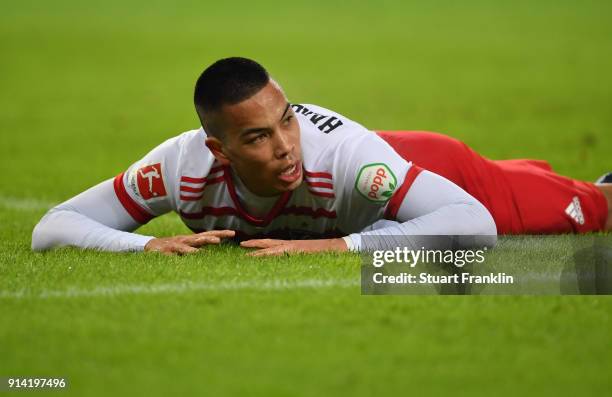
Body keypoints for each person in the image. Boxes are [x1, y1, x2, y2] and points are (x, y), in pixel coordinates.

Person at [31, 57, 610, 256]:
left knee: (587, 209)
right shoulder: (181, 167)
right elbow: (53, 227)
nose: (286, 147)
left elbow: (473, 224)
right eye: (257, 137)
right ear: (219, 150)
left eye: (287, 120)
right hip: (388, 174)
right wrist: (147, 243)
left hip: (425, 165)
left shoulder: (344, 158)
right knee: (532, 180)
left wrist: (340, 245)